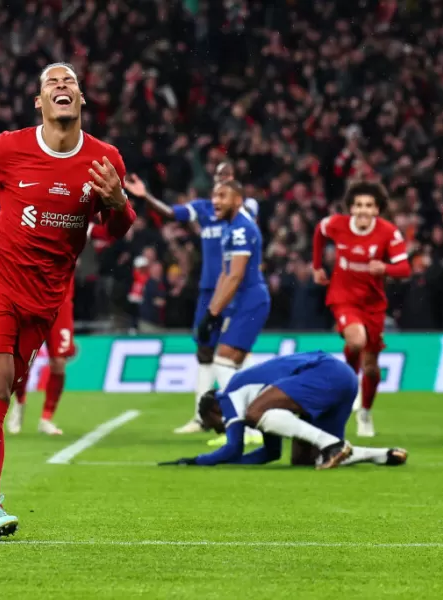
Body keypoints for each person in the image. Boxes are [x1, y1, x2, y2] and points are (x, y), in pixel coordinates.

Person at [0, 62, 137, 540]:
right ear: (39, 101)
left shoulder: (105, 160)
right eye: (52, 82)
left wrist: (118, 201)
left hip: (47, 296)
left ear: (79, 99)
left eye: (69, 81)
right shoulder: (10, 146)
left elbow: (116, 232)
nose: (61, 86)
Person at [126, 166, 260, 445]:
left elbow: (240, 262)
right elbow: (171, 214)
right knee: (205, 348)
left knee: (233, 353)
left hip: (237, 290)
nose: (220, 188)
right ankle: (203, 416)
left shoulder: (243, 213)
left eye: (227, 180)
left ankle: (249, 416)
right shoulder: (204, 208)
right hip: (211, 288)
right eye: (218, 181)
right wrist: (145, 196)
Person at [157, 351, 407, 468]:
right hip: (343, 379)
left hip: (325, 371)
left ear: (214, 411)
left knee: (256, 413)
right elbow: (270, 453)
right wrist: (233, 464)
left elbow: (233, 447)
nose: (218, 431)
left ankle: (333, 445)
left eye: (215, 426)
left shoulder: (228, 396)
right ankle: (382, 455)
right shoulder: (261, 402)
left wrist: (195, 461)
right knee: (304, 460)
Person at [311, 181, 411, 437]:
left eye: (369, 205)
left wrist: (385, 268)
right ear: (351, 208)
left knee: (371, 366)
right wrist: (317, 266)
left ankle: (365, 411)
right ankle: (348, 384)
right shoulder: (337, 224)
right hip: (343, 297)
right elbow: (319, 232)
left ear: (377, 210)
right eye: (358, 205)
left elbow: (404, 268)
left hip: (373, 304)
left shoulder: (388, 232)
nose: (363, 210)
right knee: (356, 340)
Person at [194, 180, 270, 427]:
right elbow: (224, 275)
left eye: (222, 196)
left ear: (237, 200)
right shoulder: (229, 229)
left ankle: (248, 424)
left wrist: (214, 312)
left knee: (224, 362)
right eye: (214, 195)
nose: (215, 201)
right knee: (235, 362)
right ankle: (253, 418)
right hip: (241, 303)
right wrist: (210, 313)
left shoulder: (241, 230)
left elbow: (236, 276)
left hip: (251, 301)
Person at [7, 276, 76, 436]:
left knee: (59, 362)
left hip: (61, 301)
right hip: (34, 299)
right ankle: (19, 402)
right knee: (25, 359)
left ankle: (46, 418)